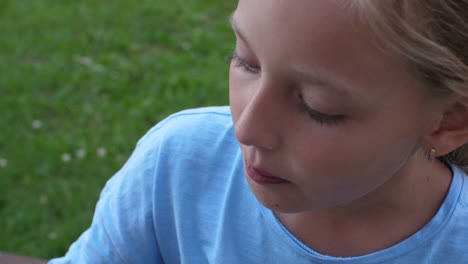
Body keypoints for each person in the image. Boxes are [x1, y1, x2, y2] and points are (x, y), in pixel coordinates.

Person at [49, 0, 468, 263]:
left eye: (317, 107)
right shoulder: (177, 169)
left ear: (448, 121)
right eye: (246, 61)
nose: (247, 128)